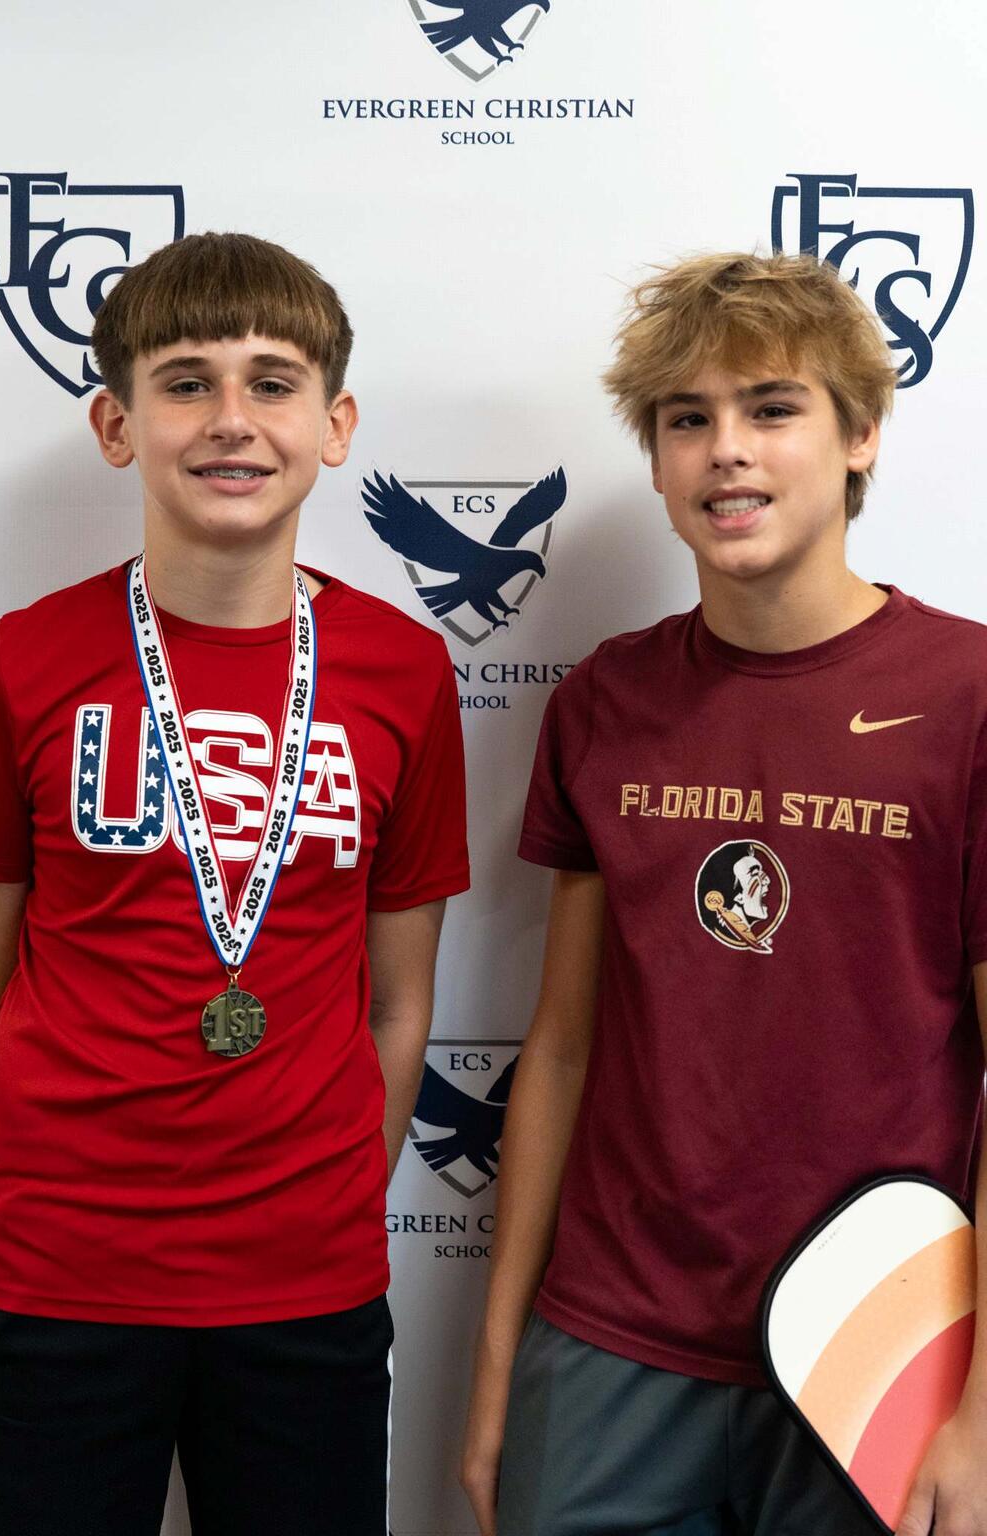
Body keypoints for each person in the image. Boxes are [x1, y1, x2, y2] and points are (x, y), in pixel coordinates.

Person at [461, 251, 987, 1536]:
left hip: (878, 1359)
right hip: (608, 1342)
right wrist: (497, 1371)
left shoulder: (968, 700)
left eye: (771, 407)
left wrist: (979, 1414)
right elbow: (564, 1048)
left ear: (860, 436)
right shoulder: (605, 699)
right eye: (686, 419)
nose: (726, 451)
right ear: (655, 461)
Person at [0, 231, 469, 1535]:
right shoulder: (13, 666)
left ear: (334, 425)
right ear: (116, 423)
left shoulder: (405, 672)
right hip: (60, 1274)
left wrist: (333, 1202)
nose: (231, 419)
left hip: (309, 1283)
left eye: (272, 382)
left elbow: (399, 1000)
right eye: (186, 382)